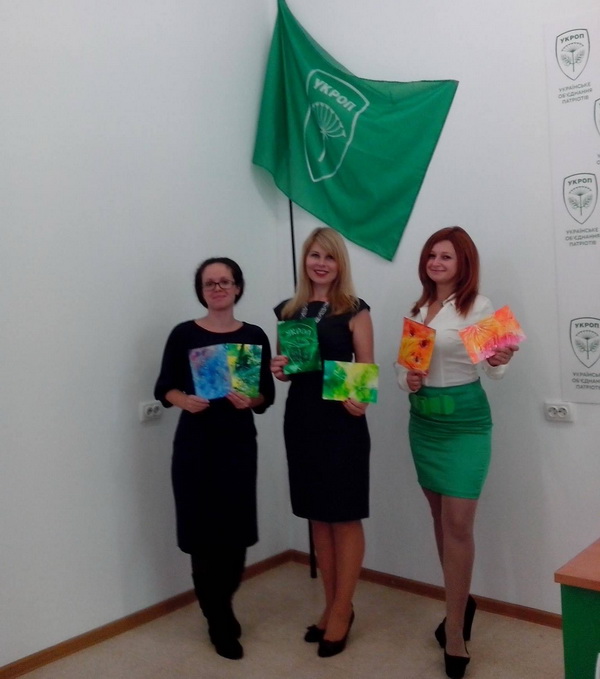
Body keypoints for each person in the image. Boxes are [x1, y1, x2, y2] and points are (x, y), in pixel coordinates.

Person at [395, 227, 518, 679]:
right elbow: (404, 368)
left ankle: (454, 631)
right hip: (423, 424)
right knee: (440, 519)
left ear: (463, 263)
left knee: (459, 525)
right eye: (432, 255)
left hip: (465, 424)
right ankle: (459, 605)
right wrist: (406, 379)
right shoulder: (417, 309)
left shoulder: (478, 306)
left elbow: (495, 368)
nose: (436, 262)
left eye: (446, 256)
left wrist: (501, 359)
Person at [154, 257, 274, 660]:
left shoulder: (254, 335)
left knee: (236, 539)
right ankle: (218, 619)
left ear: (238, 287)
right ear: (201, 291)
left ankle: (220, 604)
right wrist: (184, 400)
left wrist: (250, 400)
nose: (218, 288)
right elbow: (164, 387)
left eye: (225, 281)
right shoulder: (184, 334)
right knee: (203, 539)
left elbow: (266, 395)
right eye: (210, 283)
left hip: (238, 447)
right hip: (195, 449)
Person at [271, 227, 374, 658]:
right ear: (305, 260)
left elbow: (365, 366)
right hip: (301, 419)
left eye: (329, 257)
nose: (321, 263)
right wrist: (280, 368)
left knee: (344, 516)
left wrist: (361, 398)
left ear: (339, 263)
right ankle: (331, 606)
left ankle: (343, 609)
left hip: (342, 423)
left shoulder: (355, 309)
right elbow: (291, 369)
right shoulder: (289, 310)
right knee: (317, 517)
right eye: (315, 255)